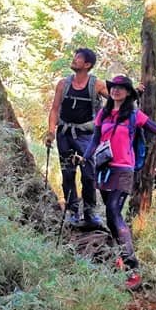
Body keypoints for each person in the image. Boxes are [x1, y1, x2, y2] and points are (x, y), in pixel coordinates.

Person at [85, 74, 156, 288]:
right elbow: (95, 140)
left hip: (123, 169)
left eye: (121, 88)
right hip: (103, 169)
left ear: (128, 92)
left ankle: (133, 268)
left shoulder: (134, 115)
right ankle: (119, 257)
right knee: (112, 218)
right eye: (113, 87)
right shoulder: (104, 113)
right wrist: (84, 158)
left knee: (113, 211)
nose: (116, 91)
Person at [44, 48, 108, 227]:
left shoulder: (97, 85)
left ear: (87, 65)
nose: (74, 60)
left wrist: (134, 93)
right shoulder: (63, 84)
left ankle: (89, 213)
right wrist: (50, 131)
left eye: (78, 58)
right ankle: (72, 211)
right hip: (64, 134)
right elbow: (55, 109)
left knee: (88, 175)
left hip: (87, 136)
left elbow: (117, 99)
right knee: (68, 173)